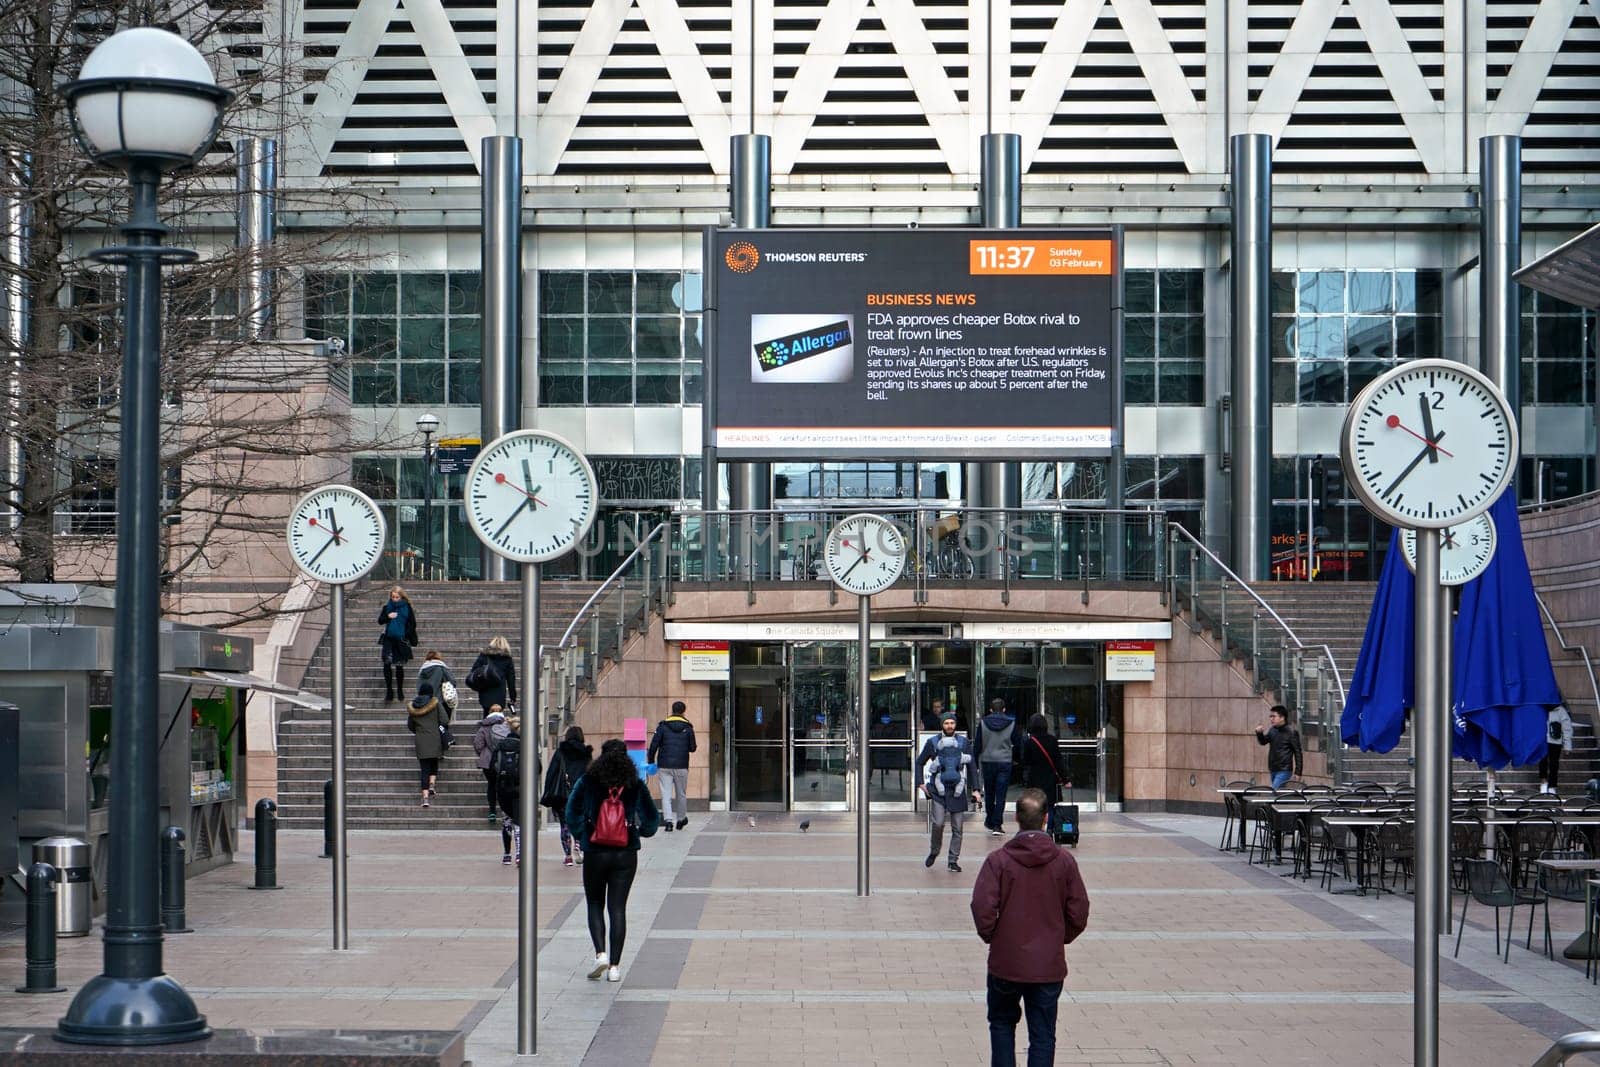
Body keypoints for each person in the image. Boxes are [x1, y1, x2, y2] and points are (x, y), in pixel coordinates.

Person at [971, 788, 1092, 1067]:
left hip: (1006, 962)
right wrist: (1060, 938)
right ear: (1046, 818)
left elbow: (982, 908)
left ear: (1016, 818)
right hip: (1047, 964)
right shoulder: (1064, 862)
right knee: (1043, 1034)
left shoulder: (998, 861)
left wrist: (994, 937)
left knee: (1001, 1024)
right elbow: (1079, 911)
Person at [565, 738, 661, 982]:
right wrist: (641, 832)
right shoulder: (634, 783)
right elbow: (651, 818)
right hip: (625, 852)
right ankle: (615, 967)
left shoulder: (588, 781)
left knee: (594, 903)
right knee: (618, 908)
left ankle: (600, 953)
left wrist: (582, 833)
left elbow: (571, 811)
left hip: (595, 851)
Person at [916, 709, 982, 872]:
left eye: (952, 723)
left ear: (955, 724)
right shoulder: (932, 742)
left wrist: (976, 789)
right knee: (938, 823)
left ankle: (953, 860)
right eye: (946, 723)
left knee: (957, 828)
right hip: (938, 791)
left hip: (957, 790)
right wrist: (920, 783)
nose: (949, 725)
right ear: (942, 725)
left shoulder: (963, 742)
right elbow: (919, 762)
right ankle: (934, 851)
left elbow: (972, 766)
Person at [542, 725, 593, 866]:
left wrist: (548, 792)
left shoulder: (560, 752)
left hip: (562, 794)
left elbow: (551, 773)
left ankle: (568, 856)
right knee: (580, 821)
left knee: (564, 825)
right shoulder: (586, 753)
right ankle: (578, 844)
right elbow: (591, 774)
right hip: (581, 794)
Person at [647, 700, 697, 831]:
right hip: (681, 765)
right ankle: (681, 819)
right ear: (683, 711)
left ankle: (668, 822)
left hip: (664, 765)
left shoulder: (662, 726)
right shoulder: (688, 728)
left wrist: (651, 761)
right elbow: (692, 748)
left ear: (672, 710)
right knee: (681, 793)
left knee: (666, 794)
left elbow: (653, 745)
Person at [975, 697, 1022, 836]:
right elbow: (1018, 743)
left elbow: (977, 744)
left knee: (989, 793)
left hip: (987, 761)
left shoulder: (983, 723)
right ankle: (997, 824)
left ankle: (990, 819)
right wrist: (1016, 758)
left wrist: (974, 760)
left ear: (990, 710)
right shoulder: (1011, 723)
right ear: (1004, 709)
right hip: (1005, 761)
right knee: (1001, 794)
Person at [405, 681, 447, 808]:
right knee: (434, 762)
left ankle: (425, 798)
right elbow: (445, 720)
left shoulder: (413, 706)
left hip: (420, 740)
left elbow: (410, 725)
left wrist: (418, 731)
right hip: (434, 738)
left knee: (424, 769)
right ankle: (432, 784)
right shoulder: (435, 703)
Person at [1018, 711, 1070, 806]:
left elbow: (1025, 761)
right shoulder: (1052, 740)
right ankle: (1049, 821)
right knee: (1049, 805)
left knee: (1035, 806)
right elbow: (1058, 761)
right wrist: (1065, 779)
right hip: (1050, 779)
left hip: (1034, 779)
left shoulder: (1029, 742)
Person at [377, 586, 418, 702]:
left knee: (399, 665)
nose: (394, 599)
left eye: (397, 597)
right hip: (389, 639)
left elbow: (412, 623)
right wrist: (388, 616)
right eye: (393, 597)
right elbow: (380, 620)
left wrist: (405, 634)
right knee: (387, 663)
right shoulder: (387, 607)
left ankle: (400, 689)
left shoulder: (407, 608)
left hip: (401, 639)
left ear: (401, 597)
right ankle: (389, 690)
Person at [491, 716, 523, 865]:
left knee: (506, 821)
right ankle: (519, 853)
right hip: (519, 788)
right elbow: (538, 768)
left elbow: (492, 767)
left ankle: (506, 854)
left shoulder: (500, 745)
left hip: (502, 788)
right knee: (518, 821)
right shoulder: (524, 746)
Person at [472, 705, 511, 824]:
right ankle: (507, 811)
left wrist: (484, 753)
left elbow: (478, 744)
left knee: (492, 785)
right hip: (504, 760)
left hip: (488, 762)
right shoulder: (508, 724)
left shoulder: (484, 726)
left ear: (489, 712)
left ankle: (492, 811)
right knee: (505, 785)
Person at [1254, 705, 1302, 790]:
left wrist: (1298, 772)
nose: (1271, 719)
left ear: (1282, 717)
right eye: (1270, 716)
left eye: (1274, 716)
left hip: (1284, 770)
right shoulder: (1273, 730)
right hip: (1273, 768)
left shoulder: (1291, 732)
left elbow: (1298, 752)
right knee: (1278, 794)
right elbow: (1263, 742)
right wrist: (1259, 733)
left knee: (1273, 792)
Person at [466, 636, 518, 714]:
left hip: (485, 691)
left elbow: (474, 671)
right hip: (499, 693)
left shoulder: (484, 655)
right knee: (498, 718)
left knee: (486, 715)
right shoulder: (507, 659)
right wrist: (513, 697)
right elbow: (511, 680)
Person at [1541, 702, 1575, 794]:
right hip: (1542, 740)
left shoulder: (1560, 711)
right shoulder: (1541, 708)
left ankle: (1552, 785)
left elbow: (1567, 728)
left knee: (1554, 764)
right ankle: (1543, 782)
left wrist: (1567, 745)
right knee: (1542, 761)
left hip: (1555, 742)